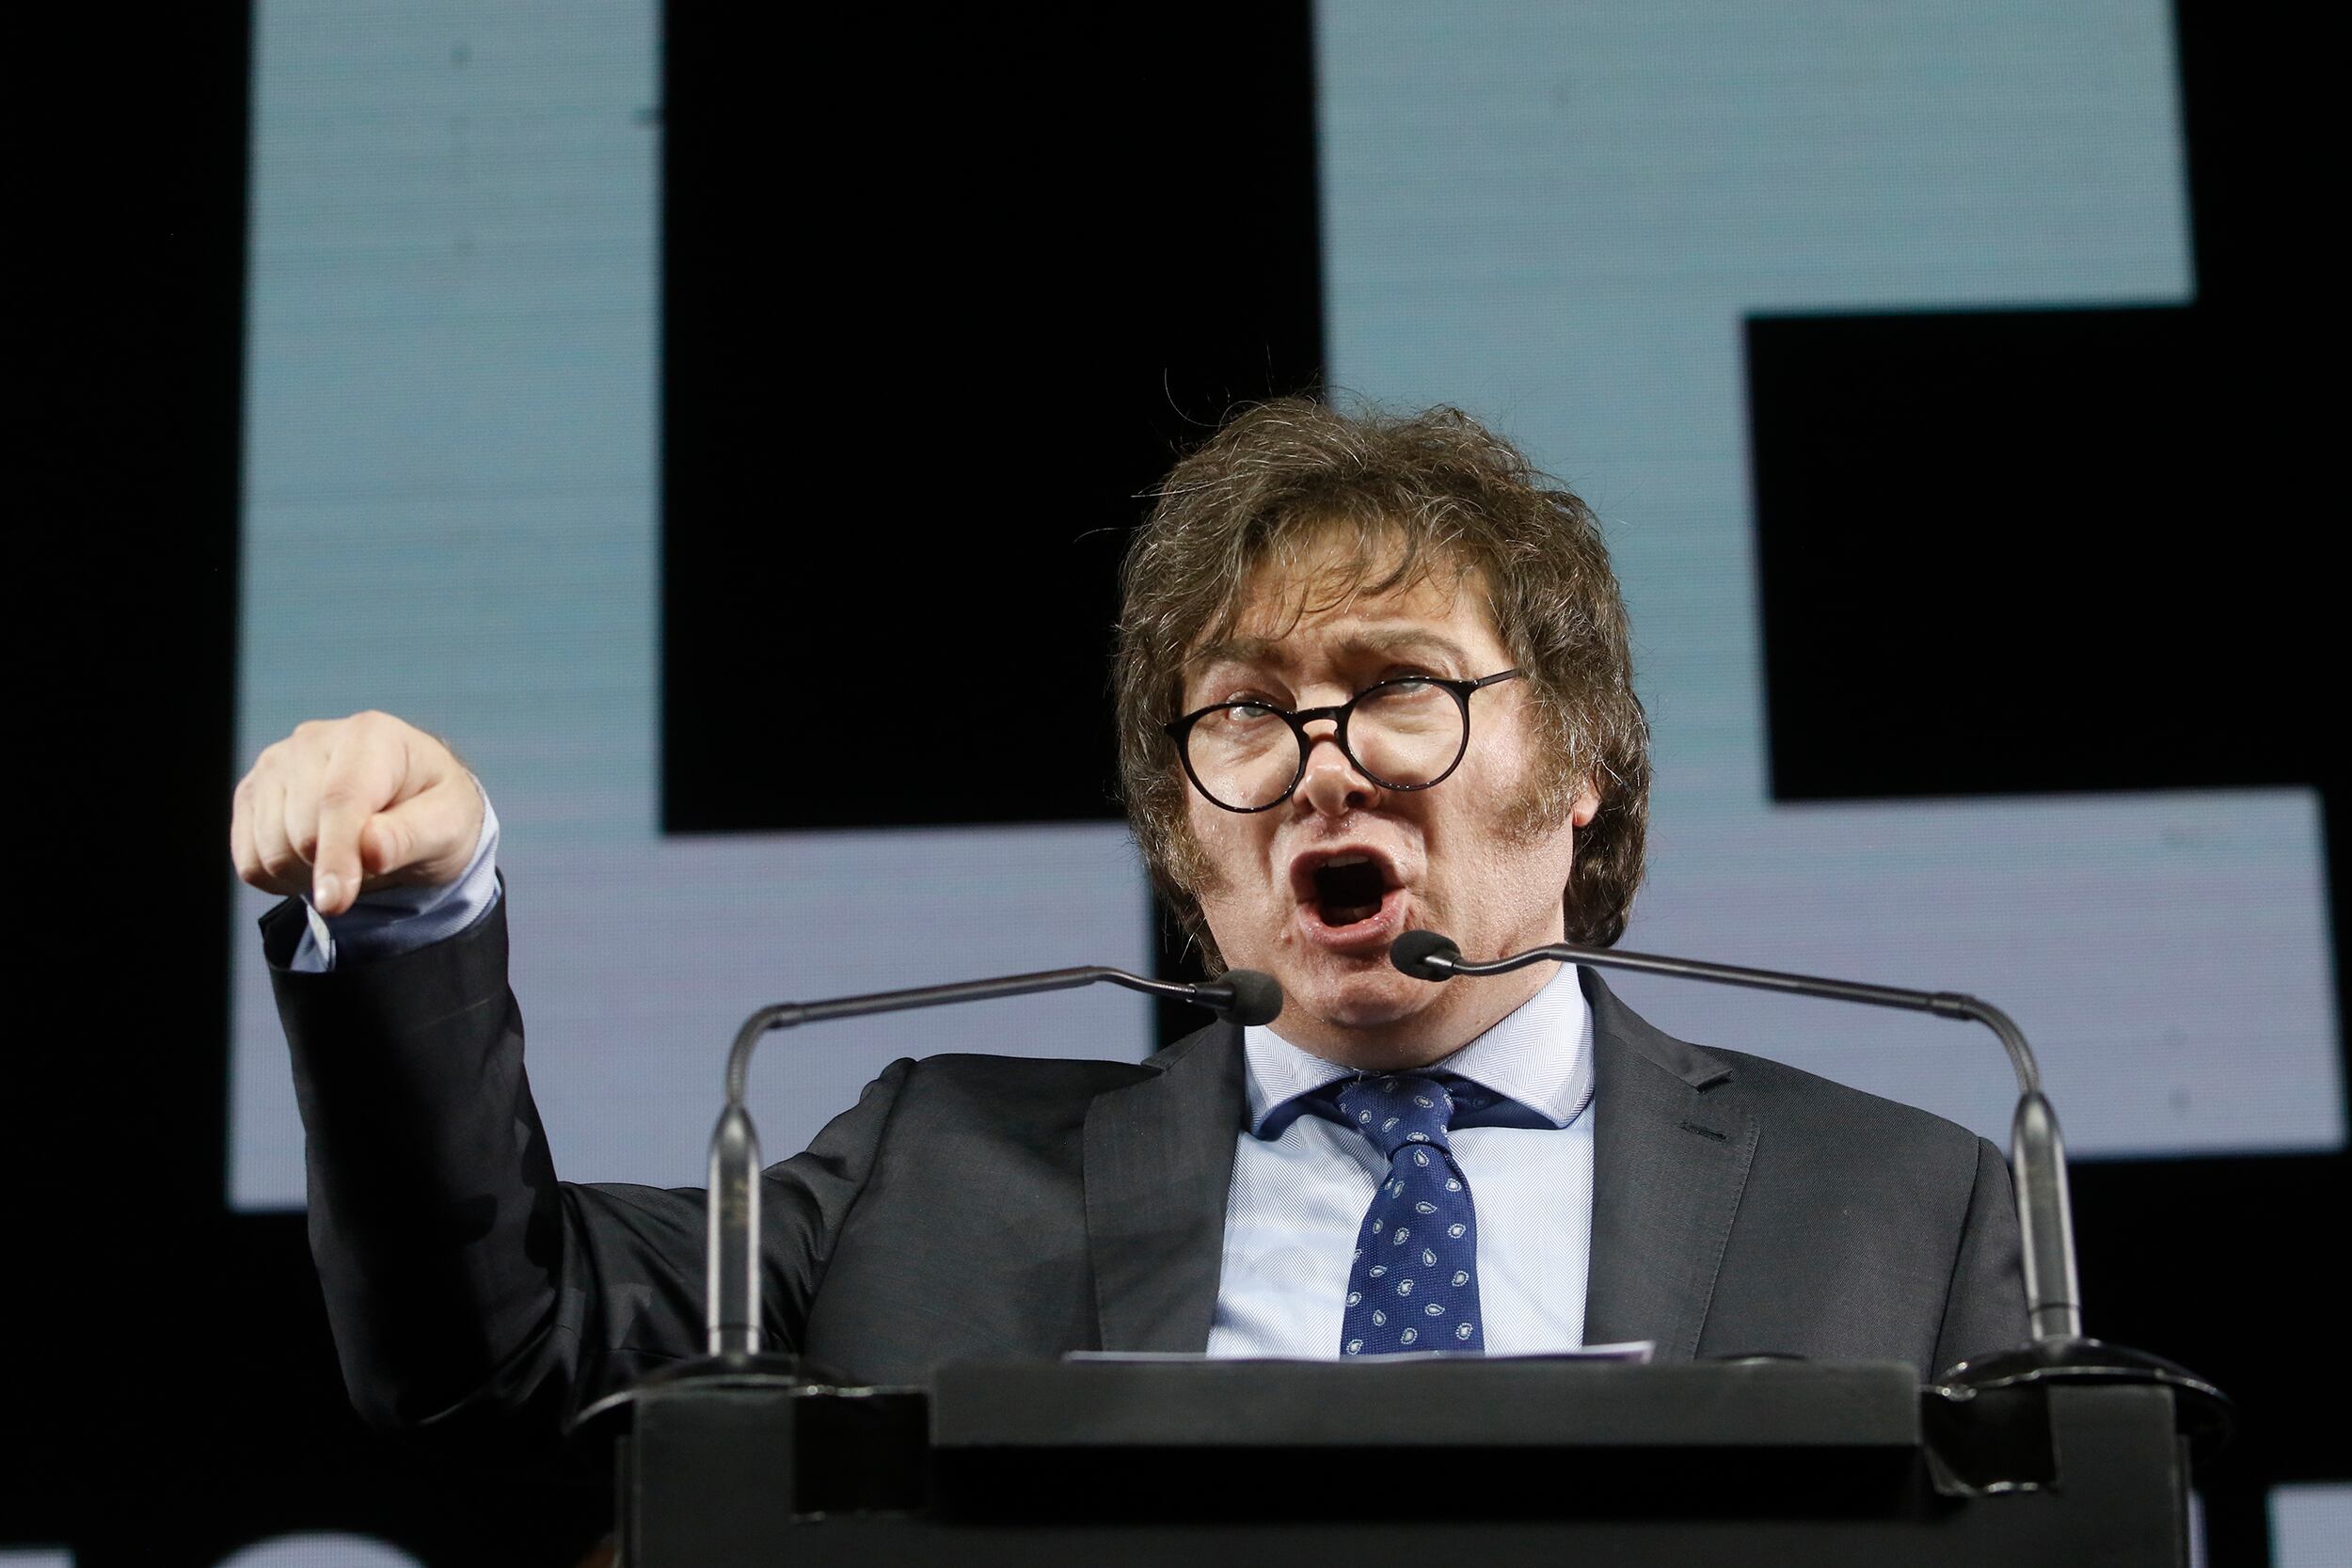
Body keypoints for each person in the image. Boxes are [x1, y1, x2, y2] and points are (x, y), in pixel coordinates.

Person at [232, 400, 2023, 1452]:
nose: (1322, 768)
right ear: (1183, 832)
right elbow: (494, 1355)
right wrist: (410, 921)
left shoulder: (1899, 1207)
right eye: (1244, 712)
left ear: (1577, 767)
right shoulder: (934, 1176)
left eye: (1399, 687)